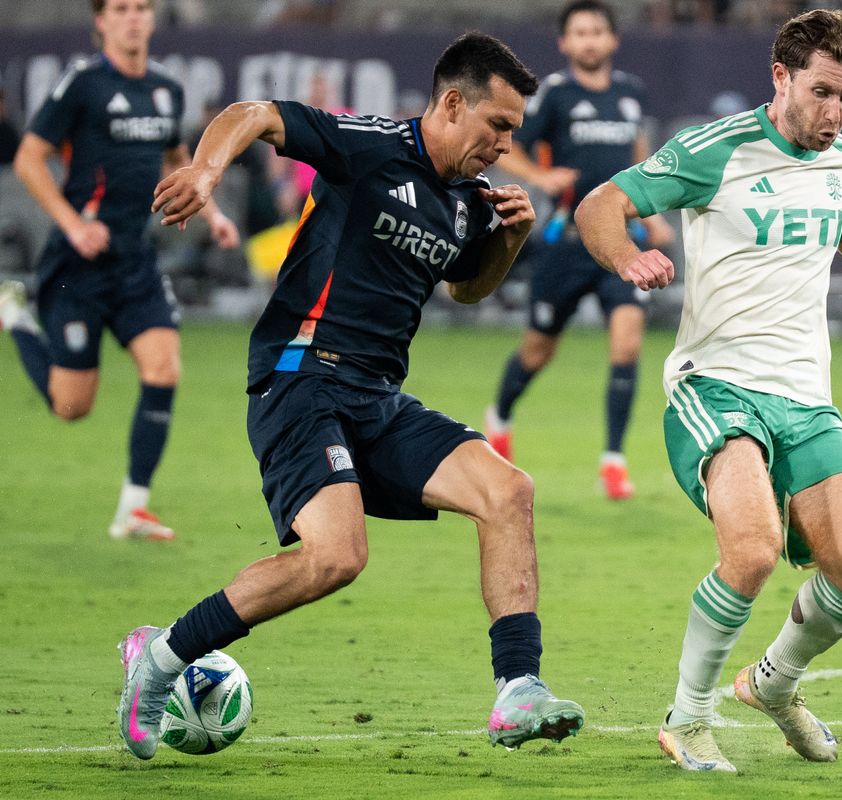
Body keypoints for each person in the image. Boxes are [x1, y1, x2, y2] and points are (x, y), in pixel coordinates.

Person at [113, 32, 584, 761]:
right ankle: (163, 656)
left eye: (514, 132)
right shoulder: (367, 144)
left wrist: (508, 240)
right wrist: (207, 171)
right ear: (452, 103)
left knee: (508, 491)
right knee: (336, 557)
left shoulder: (466, 201)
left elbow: (465, 288)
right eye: (499, 125)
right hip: (300, 378)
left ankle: (518, 689)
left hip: (376, 397)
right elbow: (256, 112)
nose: (505, 144)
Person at [574, 9, 842, 772]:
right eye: (824, 92)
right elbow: (600, 205)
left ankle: (773, 684)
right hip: (717, 387)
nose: (835, 113)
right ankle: (688, 718)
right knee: (755, 549)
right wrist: (626, 256)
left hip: (804, 398)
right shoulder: (716, 149)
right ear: (781, 76)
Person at [0, 0, 239, 541]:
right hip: (77, 264)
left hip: (134, 260)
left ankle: (133, 508)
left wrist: (216, 214)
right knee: (71, 406)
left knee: (164, 368)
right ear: (101, 22)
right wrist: (73, 224)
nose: (134, 17)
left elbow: (178, 159)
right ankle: (14, 316)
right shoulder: (81, 84)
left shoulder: (165, 89)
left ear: (152, 19)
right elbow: (28, 159)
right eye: (122, 8)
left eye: (142, 8)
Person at [483, 0, 674, 500]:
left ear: (612, 39)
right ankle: (499, 417)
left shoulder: (631, 94)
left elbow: (638, 159)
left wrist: (651, 217)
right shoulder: (555, 95)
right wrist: (540, 177)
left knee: (628, 341)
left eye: (597, 31)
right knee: (538, 349)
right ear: (565, 43)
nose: (589, 40)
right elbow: (510, 144)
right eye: (579, 33)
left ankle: (613, 460)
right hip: (567, 242)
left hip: (620, 244)